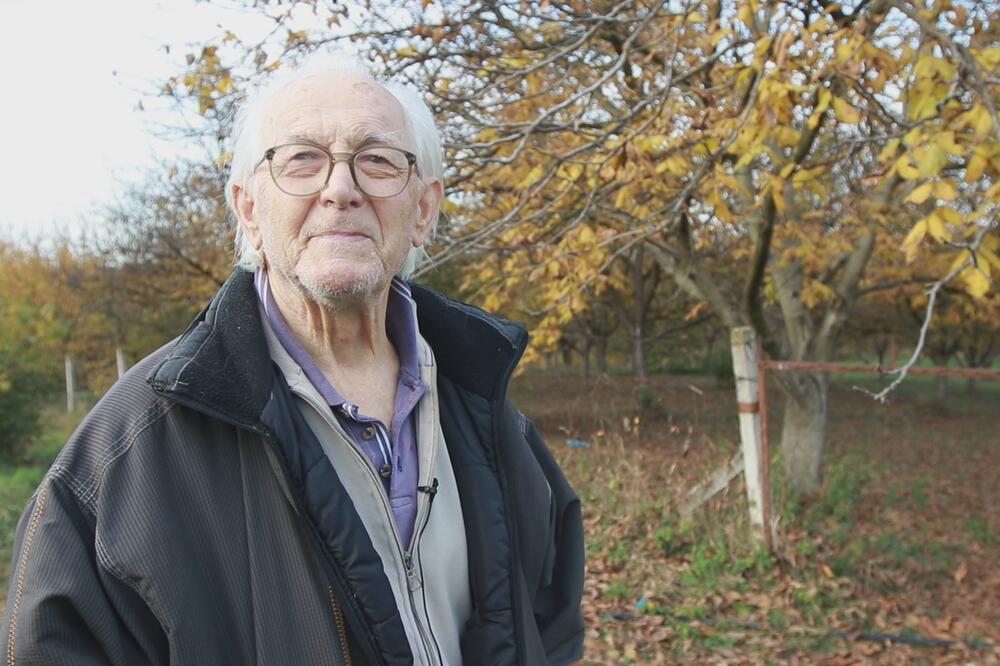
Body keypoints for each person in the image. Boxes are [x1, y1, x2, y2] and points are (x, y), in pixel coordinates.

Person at [1, 54, 584, 665]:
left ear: (424, 210)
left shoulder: (486, 409)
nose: (340, 189)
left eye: (378, 160)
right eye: (301, 158)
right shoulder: (128, 451)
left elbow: (548, 618)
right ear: (249, 209)